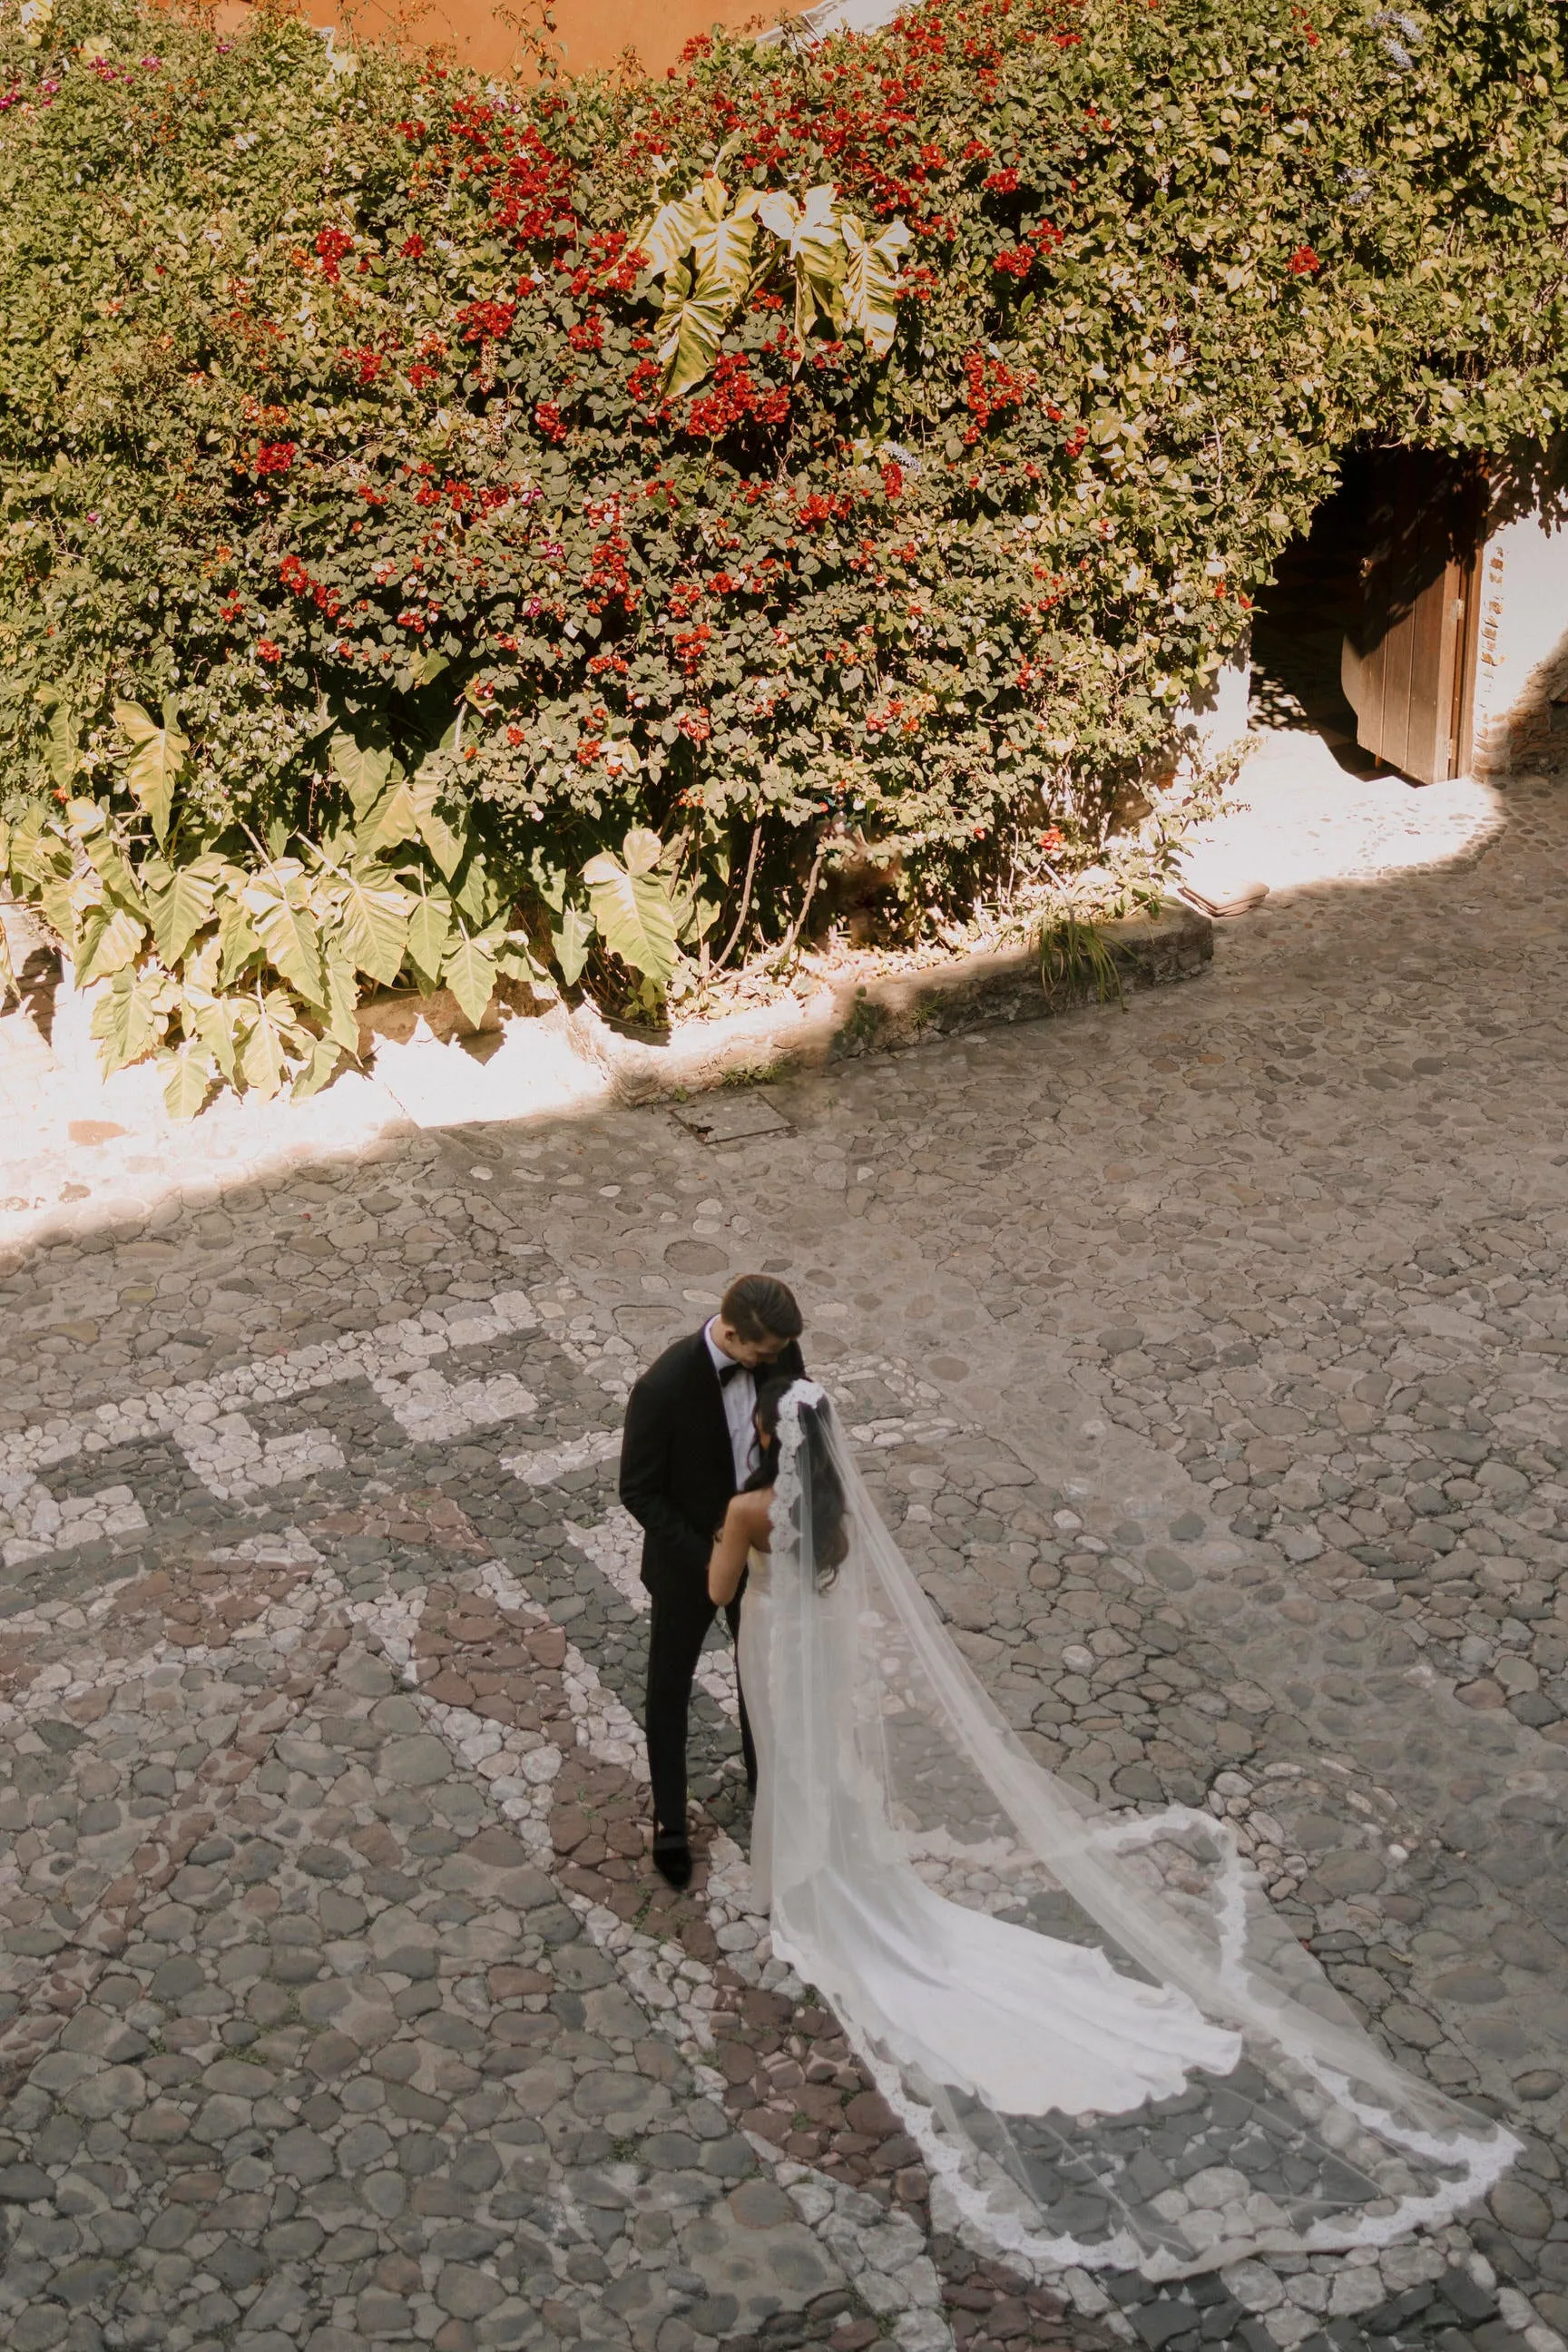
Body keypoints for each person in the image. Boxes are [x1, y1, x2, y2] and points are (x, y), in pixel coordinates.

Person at [707, 1376, 1518, 2278]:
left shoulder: (748, 1509)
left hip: (775, 1645)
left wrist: (722, 1541)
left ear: (774, 1442)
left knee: (798, 1766)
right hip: (819, 1652)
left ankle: (822, 1888)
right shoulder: (838, 1510)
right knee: (833, 1771)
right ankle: (845, 1871)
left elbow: (719, 1584)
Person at [618, 1274, 805, 1889]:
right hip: (688, 1563)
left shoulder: (781, 1350)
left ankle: (767, 1784)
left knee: (762, 1672)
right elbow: (638, 1490)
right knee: (669, 1687)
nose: (774, 1362)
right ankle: (671, 1823)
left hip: (766, 1548)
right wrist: (715, 1553)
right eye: (764, 1354)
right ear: (731, 1333)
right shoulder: (663, 1387)